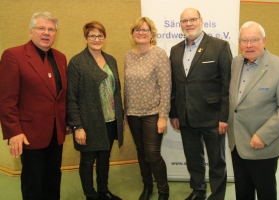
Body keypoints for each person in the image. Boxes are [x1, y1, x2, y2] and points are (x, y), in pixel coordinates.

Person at [0, 12, 67, 199]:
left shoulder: (61, 58)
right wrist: (13, 131)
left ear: (56, 33)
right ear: (31, 31)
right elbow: (6, 99)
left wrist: (67, 123)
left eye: (51, 29)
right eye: (41, 28)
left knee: (53, 178)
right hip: (29, 133)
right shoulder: (13, 55)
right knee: (33, 182)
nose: (46, 33)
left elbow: (60, 96)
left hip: (56, 132)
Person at [228, 21, 279, 200]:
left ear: (264, 40)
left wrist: (263, 136)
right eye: (244, 40)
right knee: (242, 192)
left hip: (262, 144)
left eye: (254, 40)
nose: (249, 45)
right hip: (237, 142)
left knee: (265, 192)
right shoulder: (235, 62)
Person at [169, 8, 232, 200]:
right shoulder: (175, 49)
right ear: (180, 25)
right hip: (186, 117)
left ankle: (218, 195)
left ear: (201, 21)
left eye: (192, 19)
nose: (188, 23)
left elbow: (227, 84)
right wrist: (174, 113)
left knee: (216, 162)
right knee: (193, 160)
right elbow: (174, 85)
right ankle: (198, 191)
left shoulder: (219, 46)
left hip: (212, 117)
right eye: (184, 21)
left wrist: (224, 116)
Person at [66, 21, 124, 200]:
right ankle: (90, 195)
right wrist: (77, 126)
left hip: (110, 120)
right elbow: (71, 97)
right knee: (88, 160)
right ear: (85, 38)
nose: (97, 39)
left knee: (104, 158)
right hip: (89, 123)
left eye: (100, 35)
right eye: (92, 35)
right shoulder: (77, 62)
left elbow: (116, 90)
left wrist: (121, 116)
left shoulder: (111, 60)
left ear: (104, 38)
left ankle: (103, 191)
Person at [124, 17, 171, 200]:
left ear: (152, 34)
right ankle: (147, 187)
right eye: (137, 30)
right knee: (141, 153)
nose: (141, 33)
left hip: (153, 113)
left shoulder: (158, 54)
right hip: (133, 113)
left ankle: (163, 191)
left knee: (152, 154)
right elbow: (126, 86)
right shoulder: (129, 55)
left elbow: (166, 86)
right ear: (132, 34)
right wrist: (125, 112)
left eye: (145, 30)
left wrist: (163, 116)